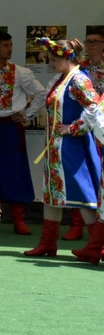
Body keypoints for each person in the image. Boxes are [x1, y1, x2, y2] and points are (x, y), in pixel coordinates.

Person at [24, 38, 101, 258]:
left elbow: (95, 107)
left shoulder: (78, 79)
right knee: (52, 194)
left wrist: (72, 128)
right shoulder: (63, 79)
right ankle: (47, 243)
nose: (50, 62)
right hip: (57, 148)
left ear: (66, 56)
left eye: (53, 58)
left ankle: (97, 247)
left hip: (72, 148)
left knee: (83, 195)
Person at [0, 31, 46, 235]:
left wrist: (27, 114)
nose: (9, 49)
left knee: (14, 170)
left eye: (10, 44)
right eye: (4, 45)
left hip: (10, 126)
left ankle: (19, 219)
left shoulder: (20, 72)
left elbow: (41, 94)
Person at [67, 28, 104, 241]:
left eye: (95, 41)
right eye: (87, 41)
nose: (90, 44)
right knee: (81, 175)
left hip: (103, 127)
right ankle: (77, 224)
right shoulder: (82, 68)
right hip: (84, 126)